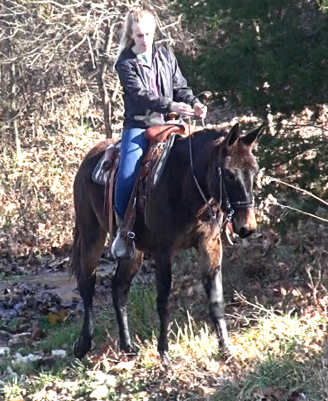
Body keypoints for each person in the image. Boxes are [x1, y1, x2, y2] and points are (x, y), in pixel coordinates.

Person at [111, 8, 207, 259]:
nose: (145, 40)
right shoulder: (125, 62)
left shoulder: (165, 55)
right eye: (140, 35)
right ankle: (125, 229)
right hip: (139, 126)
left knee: (201, 163)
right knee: (126, 177)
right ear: (131, 35)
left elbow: (180, 87)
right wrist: (170, 106)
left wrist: (194, 103)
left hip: (170, 124)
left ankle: (206, 222)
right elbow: (141, 95)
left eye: (149, 34)